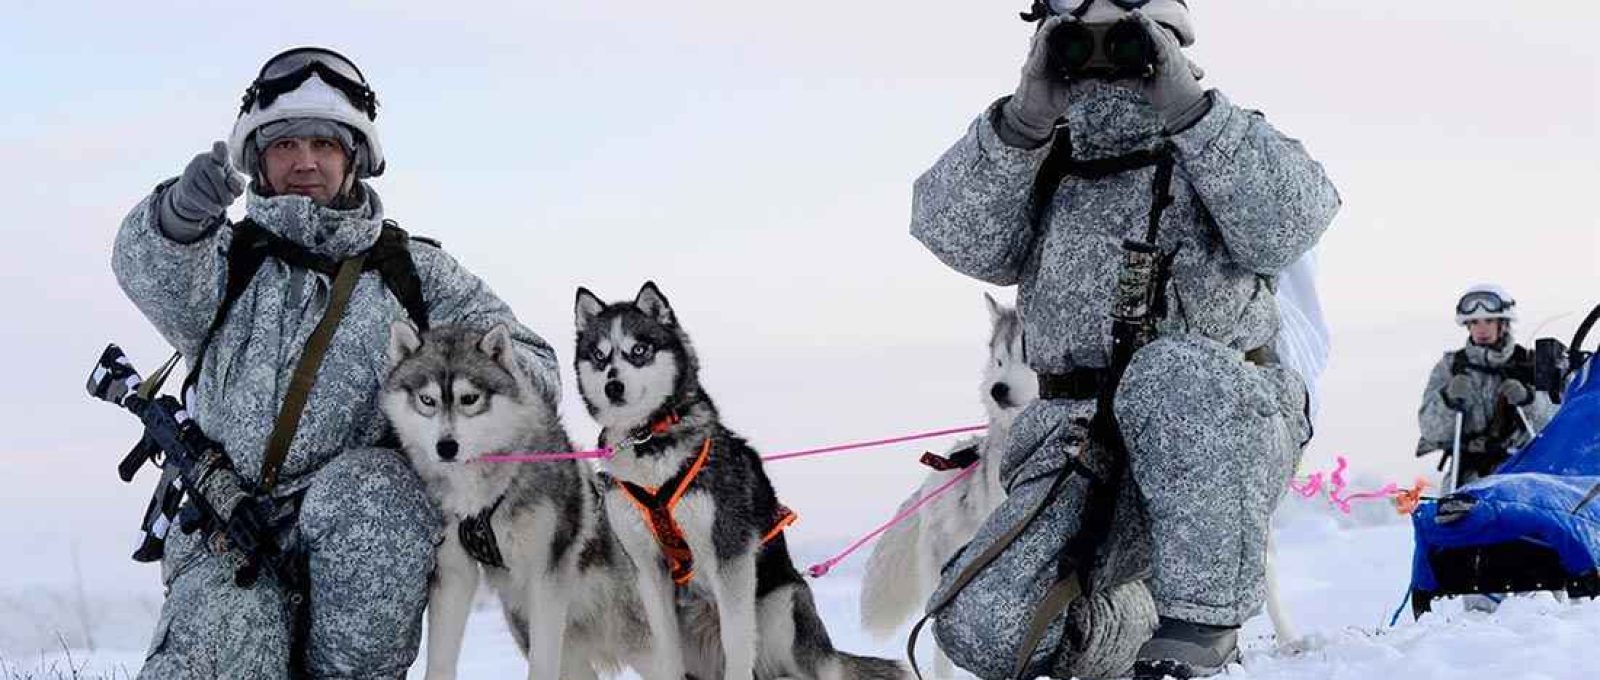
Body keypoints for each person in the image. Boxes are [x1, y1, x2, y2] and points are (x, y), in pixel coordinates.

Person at [908, 1, 1340, 676]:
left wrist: (1190, 111)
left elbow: (1289, 224)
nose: (1104, 56)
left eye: (1125, 37)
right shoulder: (1043, 159)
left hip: (1216, 431)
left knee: (1170, 372)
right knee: (979, 623)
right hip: (1077, 437)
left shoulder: (1221, 141)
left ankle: (1200, 625)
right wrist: (1023, 121)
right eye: (1081, 39)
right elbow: (954, 234)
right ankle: (1137, 621)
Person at [111, 46, 559, 679]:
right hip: (224, 528)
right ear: (258, 158)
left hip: (364, 532)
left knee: (377, 491)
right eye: (285, 145)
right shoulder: (227, 259)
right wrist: (181, 216)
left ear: (353, 159)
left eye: (324, 144)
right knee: (228, 644)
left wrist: (459, 397)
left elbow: (534, 369)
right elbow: (152, 272)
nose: (305, 161)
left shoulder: (415, 275)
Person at [1417, 284, 1557, 489]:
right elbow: (1430, 431)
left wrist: (1528, 399)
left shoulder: (1530, 364)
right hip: (1466, 479)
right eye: (1474, 322)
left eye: (1489, 321)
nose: (1481, 329)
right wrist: (1447, 400)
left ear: (1503, 323)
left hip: (1522, 474)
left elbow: (1554, 426)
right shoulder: (1451, 367)